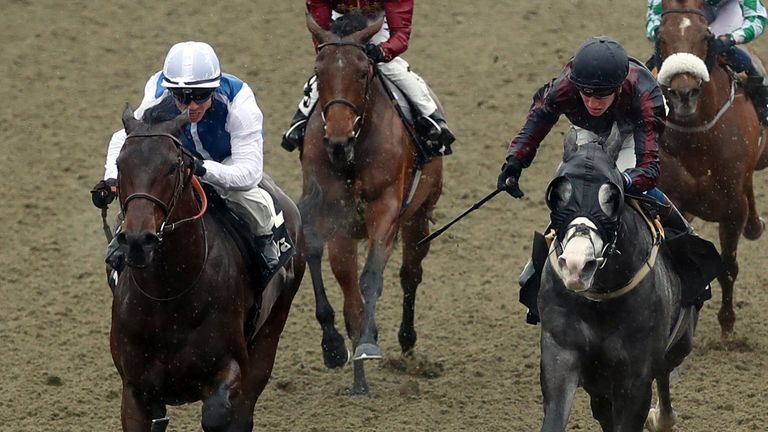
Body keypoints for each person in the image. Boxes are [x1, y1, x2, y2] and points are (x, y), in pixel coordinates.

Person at [496, 36, 714, 324]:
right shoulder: (564, 87)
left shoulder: (645, 95)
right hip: (587, 132)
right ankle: (536, 276)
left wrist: (618, 183)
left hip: (632, 130)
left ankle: (688, 245)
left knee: (637, 196)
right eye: (586, 94)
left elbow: (648, 169)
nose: (593, 102)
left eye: (601, 95)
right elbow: (539, 119)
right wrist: (514, 162)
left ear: (618, 87)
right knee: (572, 198)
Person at [91, 41, 281, 276]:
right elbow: (124, 137)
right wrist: (111, 179)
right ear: (171, 90)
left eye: (200, 96)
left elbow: (250, 173)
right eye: (182, 96)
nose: (191, 105)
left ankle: (264, 241)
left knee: (248, 198)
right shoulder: (159, 91)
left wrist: (202, 169)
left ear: (215, 87)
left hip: (226, 161)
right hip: (176, 160)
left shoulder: (239, 102)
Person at [280, 0, 456, 154]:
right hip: (339, 24)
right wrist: (332, 51)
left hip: (377, 23)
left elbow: (400, 36)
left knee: (391, 66)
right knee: (334, 69)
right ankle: (300, 120)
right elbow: (320, 27)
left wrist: (382, 50)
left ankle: (432, 117)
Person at [646, 0, 768, 126]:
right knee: (668, 49)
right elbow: (654, 16)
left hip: (726, 10)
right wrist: (660, 34)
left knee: (721, 48)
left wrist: (731, 39)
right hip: (685, 10)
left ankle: (762, 105)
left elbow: (757, 18)